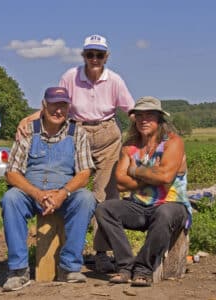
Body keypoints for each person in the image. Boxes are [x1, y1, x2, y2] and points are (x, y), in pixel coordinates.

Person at [16, 34, 135, 273]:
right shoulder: (70, 77)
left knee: (105, 196)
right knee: (69, 187)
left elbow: (130, 110)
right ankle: (65, 250)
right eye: (90, 54)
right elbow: (55, 105)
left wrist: (147, 130)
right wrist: (29, 118)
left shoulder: (115, 80)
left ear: (106, 57)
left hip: (106, 134)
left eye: (99, 55)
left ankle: (101, 252)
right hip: (75, 131)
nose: (94, 59)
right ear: (83, 56)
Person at [0, 87, 96, 292]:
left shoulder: (78, 133)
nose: (58, 110)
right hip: (31, 194)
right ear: (44, 105)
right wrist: (36, 193)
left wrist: (63, 193)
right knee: (10, 199)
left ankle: (69, 267)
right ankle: (18, 270)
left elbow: (84, 173)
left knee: (86, 198)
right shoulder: (28, 130)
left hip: (64, 195)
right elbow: (12, 173)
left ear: (68, 108)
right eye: (54, 104)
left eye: (63, 105)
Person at [95, 96, 192, 287]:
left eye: (149, 115)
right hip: (138, 206)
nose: (144, 120)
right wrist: (151, 175)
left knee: (164, 214)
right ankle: (124, 266)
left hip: (172, 205)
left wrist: (134, 171)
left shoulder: (173, 142)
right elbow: (121, 184)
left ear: (160, 119)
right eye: (139, 116)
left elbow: (165, 177)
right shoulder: (130, 145)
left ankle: (143, 269)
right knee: (105, 209)